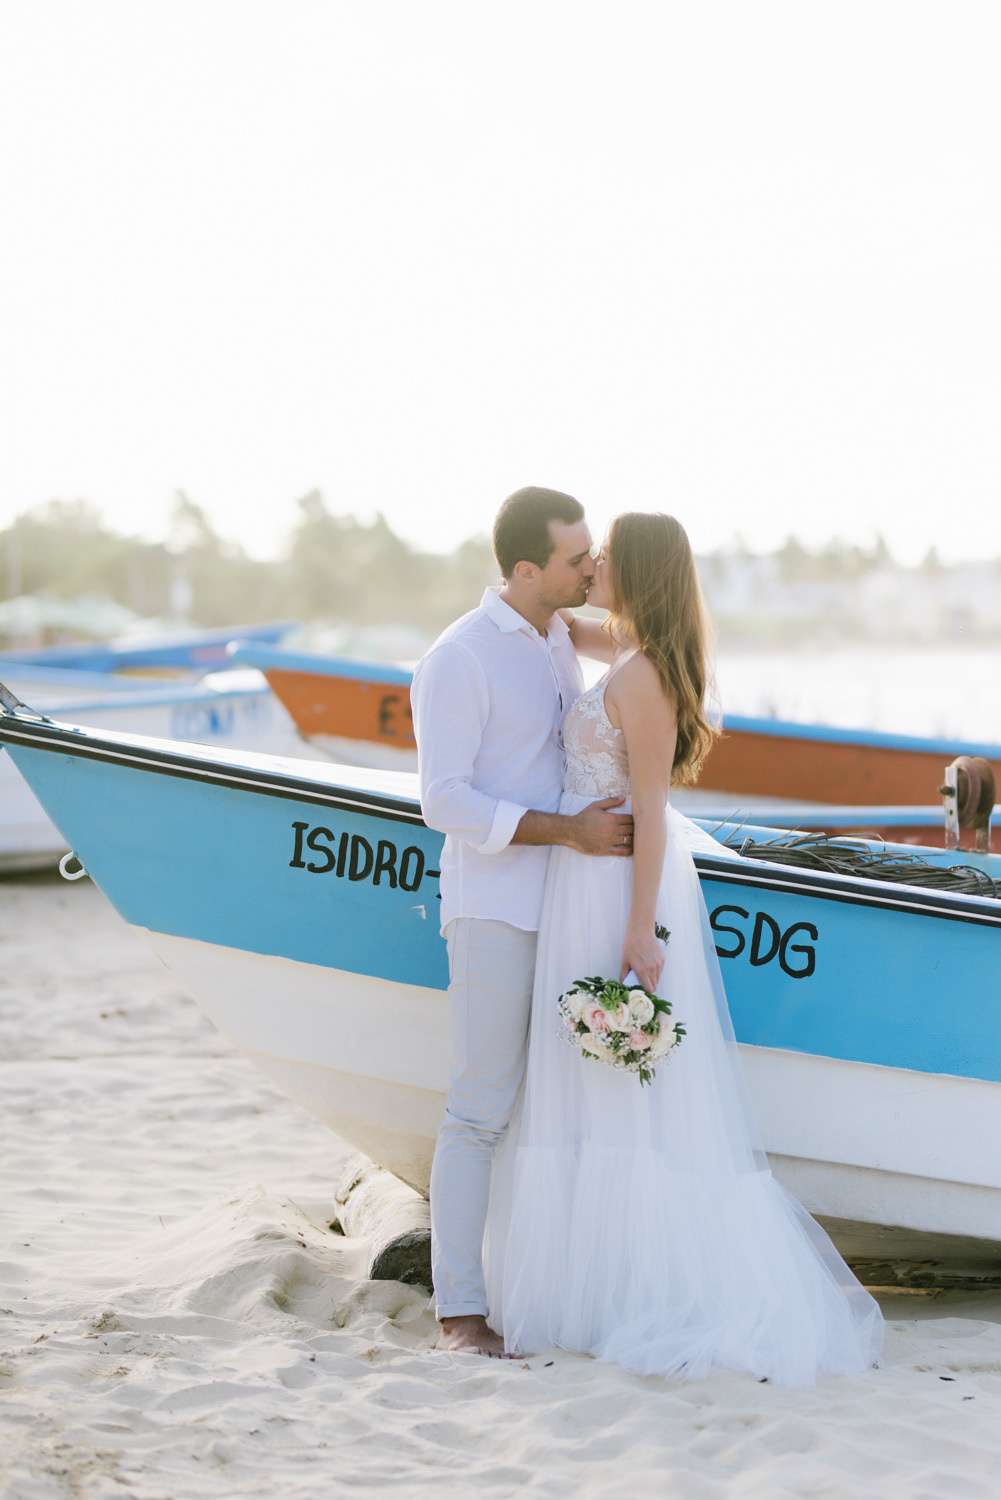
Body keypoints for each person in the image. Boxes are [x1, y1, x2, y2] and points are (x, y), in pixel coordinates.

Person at [483, 511, 884, 1387]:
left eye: (605, 560)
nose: (590, 569)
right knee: (585, 1076)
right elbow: (550, 616)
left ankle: (638, 1284)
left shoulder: (645, 678)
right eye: (585, 558)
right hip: (578, 878)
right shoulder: (622, 647)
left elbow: (655, 815)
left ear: (639, 573)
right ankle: (593, 1278)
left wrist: (636, 929)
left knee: (628, 1081)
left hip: (620, 887)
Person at [411, 485, 635, 1356]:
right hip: (497, 906)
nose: (590, 567)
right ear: (523, 569)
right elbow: (443, 800)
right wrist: (566, 833)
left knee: (549, 1109)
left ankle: (529, 1285)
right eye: (577, 558)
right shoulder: (459, 658)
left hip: (570, 903)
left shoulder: (557, 637)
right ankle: (459, 1312)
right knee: (477, 1110)